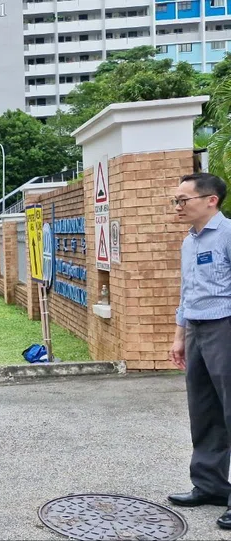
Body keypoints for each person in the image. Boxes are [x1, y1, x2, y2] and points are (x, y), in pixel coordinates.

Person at [166, 173, 231, 531]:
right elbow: (187, 293)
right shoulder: (188, 242)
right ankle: (210, 486)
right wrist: (180, 335)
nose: (177, 207)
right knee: (204, 411)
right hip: (197, 330)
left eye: (183, 200)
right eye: (175, 201)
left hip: (226, 327)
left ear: (211, 200)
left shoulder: (228, 234)